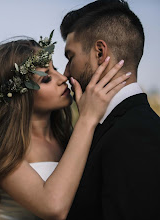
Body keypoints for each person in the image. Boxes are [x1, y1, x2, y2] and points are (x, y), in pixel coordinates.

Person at [0, 33, 131, 220]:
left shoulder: (66, 137)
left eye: (56, 69)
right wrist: (87, 118)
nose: (62, 78)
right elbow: (53, 207)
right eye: (45, 78)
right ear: (21, 95)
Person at [60, 0, 160, 219]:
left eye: (70, 57)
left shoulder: (136, 134)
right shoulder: (106, 126)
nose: (66, 73)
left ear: (99, 52)